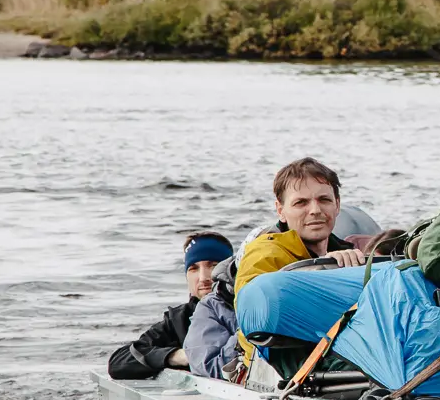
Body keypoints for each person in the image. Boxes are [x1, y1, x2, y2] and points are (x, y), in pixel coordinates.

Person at [107, 232, 234, 380]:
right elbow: (119, 363)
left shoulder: (248, 309)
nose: (203, 278)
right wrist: (179, 356)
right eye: (193, 268)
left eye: (213, 265)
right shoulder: (179, 320)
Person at [233, 157, 368, 296]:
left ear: (337, 205)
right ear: (280, 211)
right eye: (301, 202)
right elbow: (252, 306)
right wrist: (325, 269)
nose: (315, 210)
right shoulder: (265, 254)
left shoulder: (348, 252)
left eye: (324, 200)